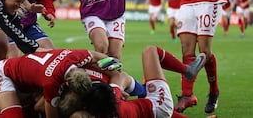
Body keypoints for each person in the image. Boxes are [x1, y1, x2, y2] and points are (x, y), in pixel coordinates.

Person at [0, 48, 122, 118]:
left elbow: (95, 55)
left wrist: (111, 61)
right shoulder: (51, 83)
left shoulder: (75, 57)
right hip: (2, 74)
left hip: (24, 79)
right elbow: (47, 112)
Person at [57, 45, 206, 118]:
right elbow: (121, 77)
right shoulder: (109, 99)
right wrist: (117, 86)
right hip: (158, 104)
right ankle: (188, 71)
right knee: (150, 51)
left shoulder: (100, 110)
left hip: (150, 110)